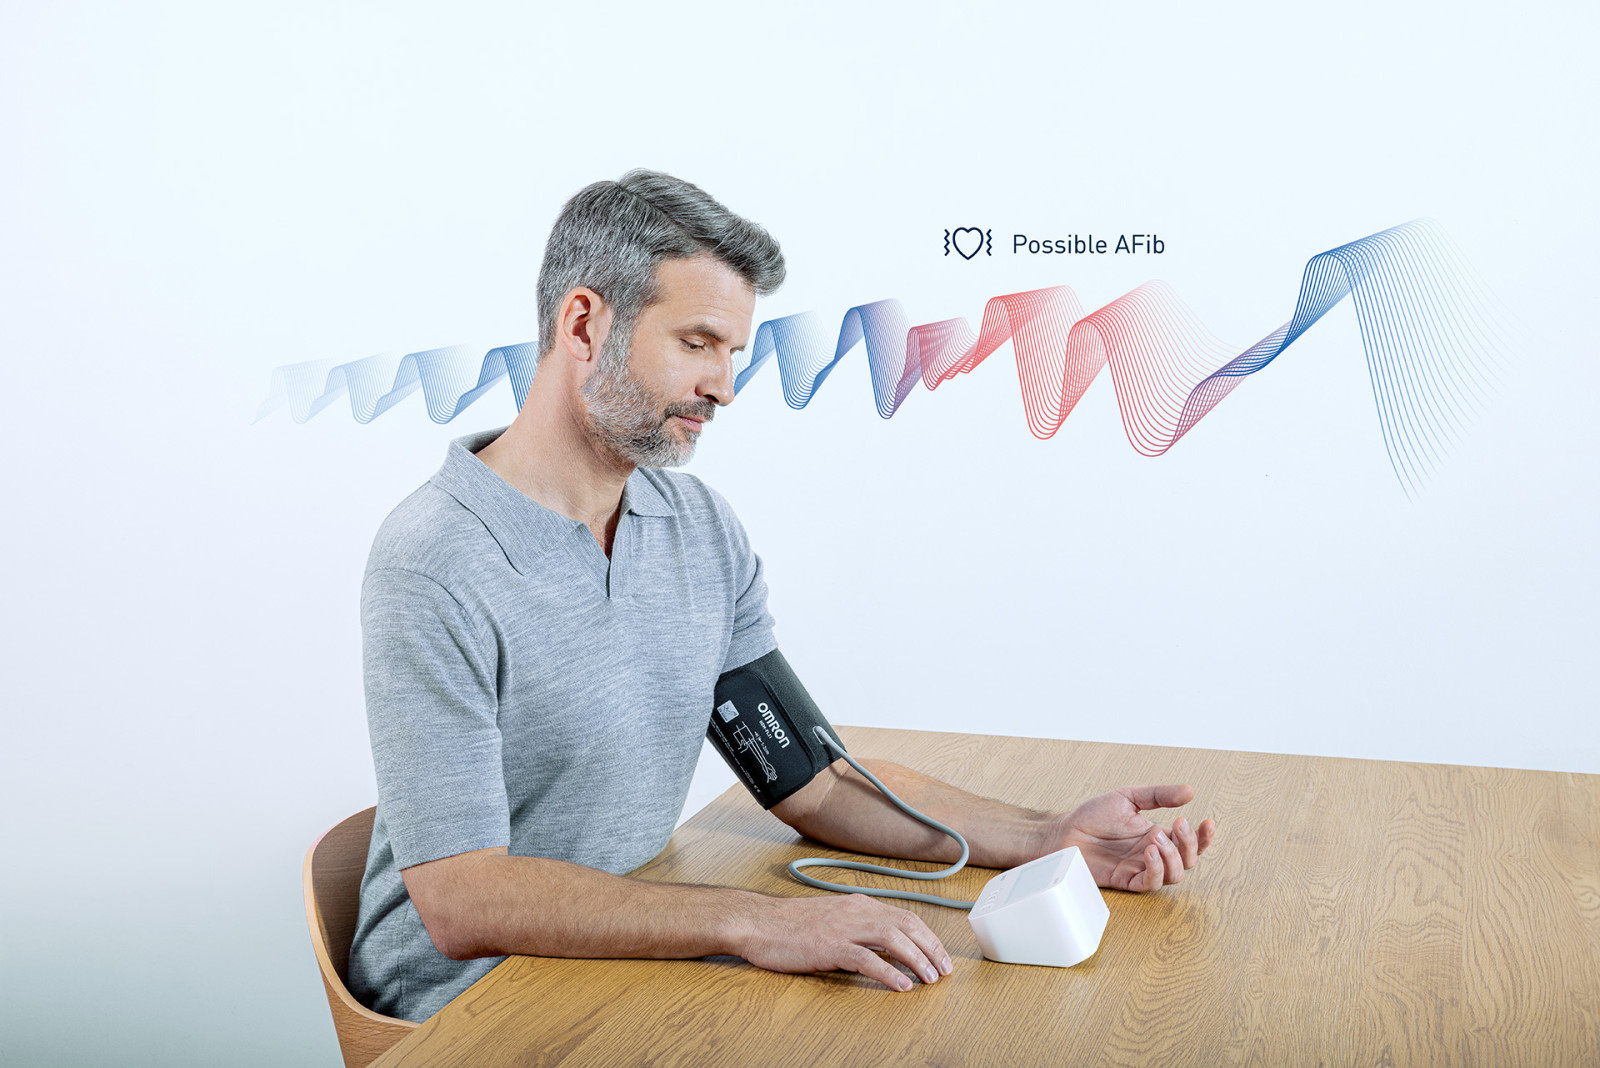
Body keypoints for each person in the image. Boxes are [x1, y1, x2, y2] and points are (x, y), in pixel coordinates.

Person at [347, 169, 1217, 1023]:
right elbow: (461, 897)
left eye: (734, 354)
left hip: (626, 964)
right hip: (463, 1011)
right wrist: (754, 919)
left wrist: (1043, 836)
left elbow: (809, 777)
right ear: (584, 323)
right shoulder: (436, 559)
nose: (724, 387)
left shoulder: (696, 529)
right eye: (696, 343)